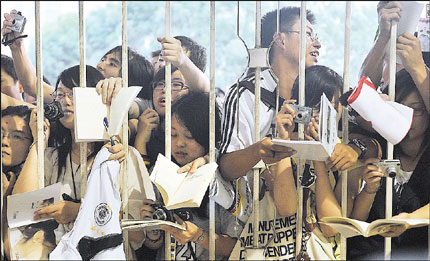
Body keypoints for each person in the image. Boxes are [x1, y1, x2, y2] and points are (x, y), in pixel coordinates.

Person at [218, 6, 320, 225]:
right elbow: (226, 167)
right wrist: (260, 150)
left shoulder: (318, 91)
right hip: (256, 223)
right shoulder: (246, 94)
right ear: (280, 40)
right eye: (309, 34)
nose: (317, 43)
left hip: (310, 220)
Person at [10, 65, 126, 247]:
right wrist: (39, 142)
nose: (66, 101)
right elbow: (21, 211)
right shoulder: (51, 157)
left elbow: (137, 225)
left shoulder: (120, 154)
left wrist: (78, 212)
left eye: (73, 94)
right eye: (60, 95)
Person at [139, 91, 239, 260]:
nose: (179, 143)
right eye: (173, 134)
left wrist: (199, 236)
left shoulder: (221, 180)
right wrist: (151, 228)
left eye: (189, 136)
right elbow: (154, 244)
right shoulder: (161, 172)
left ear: (207, 137)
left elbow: (236, 246)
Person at [347, 68, 430, 260]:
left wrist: (410, 219)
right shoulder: (378, 148)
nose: (408, 117)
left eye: (417, 110)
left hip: (417, 253)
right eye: (400, 107)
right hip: (366, 253)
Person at [1, 9, 154, 105]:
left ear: (130, 79)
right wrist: (17, 46)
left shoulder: (137, 107)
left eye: (112, 64)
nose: (100, 65)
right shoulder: (75, 96)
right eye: (102, 59)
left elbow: (133, 110)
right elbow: (33, 85)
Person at [133, 65, 190, 170]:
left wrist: (140, 141)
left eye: (176, 84)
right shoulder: (147, 125)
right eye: (160, 84)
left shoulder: (197, 129)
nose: (164, 89)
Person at [1, 105, 33, 260]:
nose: (4, 142)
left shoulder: (39, 179)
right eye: (1, 134)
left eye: (17, 136)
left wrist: (6, 200)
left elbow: (12, 251)